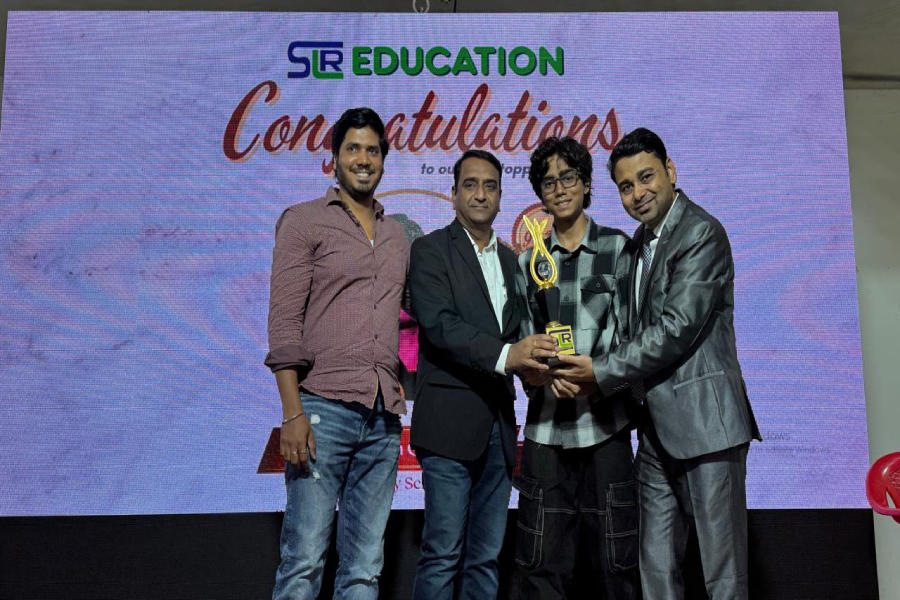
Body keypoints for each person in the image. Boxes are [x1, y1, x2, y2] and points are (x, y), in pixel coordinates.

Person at [554, 127, 762, 599]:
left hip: (707, 427)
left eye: (646, 178)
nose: (638, 194)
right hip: (653, 429)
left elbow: (675, 328)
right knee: (655, 568)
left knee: (722, 574)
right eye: (626, 186)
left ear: (670, 171)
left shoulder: (701, 233)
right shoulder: (638, 243)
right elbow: (630, 330)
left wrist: (599, 372)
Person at [265, 107, 410, 600]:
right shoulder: (303, 221)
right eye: (353, 149)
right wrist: (292, 414)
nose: (363, 159)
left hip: (383, 416)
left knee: (365, 569)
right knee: (304, 561)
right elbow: (284, 325)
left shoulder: (397, 235)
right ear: (334, 157)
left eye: (372, 150)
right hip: (322, 409)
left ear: (384, 159)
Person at [408, 149, 558, 600]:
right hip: (448, 427)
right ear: (453, 193)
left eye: (490, 186)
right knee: (442, 555)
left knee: (486, 558)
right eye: (470, 185)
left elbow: (520, 334)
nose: (480, 194)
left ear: (500, 196)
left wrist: (537, 368)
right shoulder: (430, 250)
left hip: (499, 427)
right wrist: (510, 356)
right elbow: (441, 326)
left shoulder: (514, 262)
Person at [511, 137, 638, 599]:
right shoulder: (529, 262)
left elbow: (633, 338)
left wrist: (595, 377)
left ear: (585, 184)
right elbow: (525, 341)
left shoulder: (618, 249)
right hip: (547, 432)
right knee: (540, 568)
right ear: (540, 195)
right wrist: (539, 376)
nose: (559, 188)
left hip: (606, 428)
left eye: (568, 178)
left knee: (616, 567)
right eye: (548, 182)